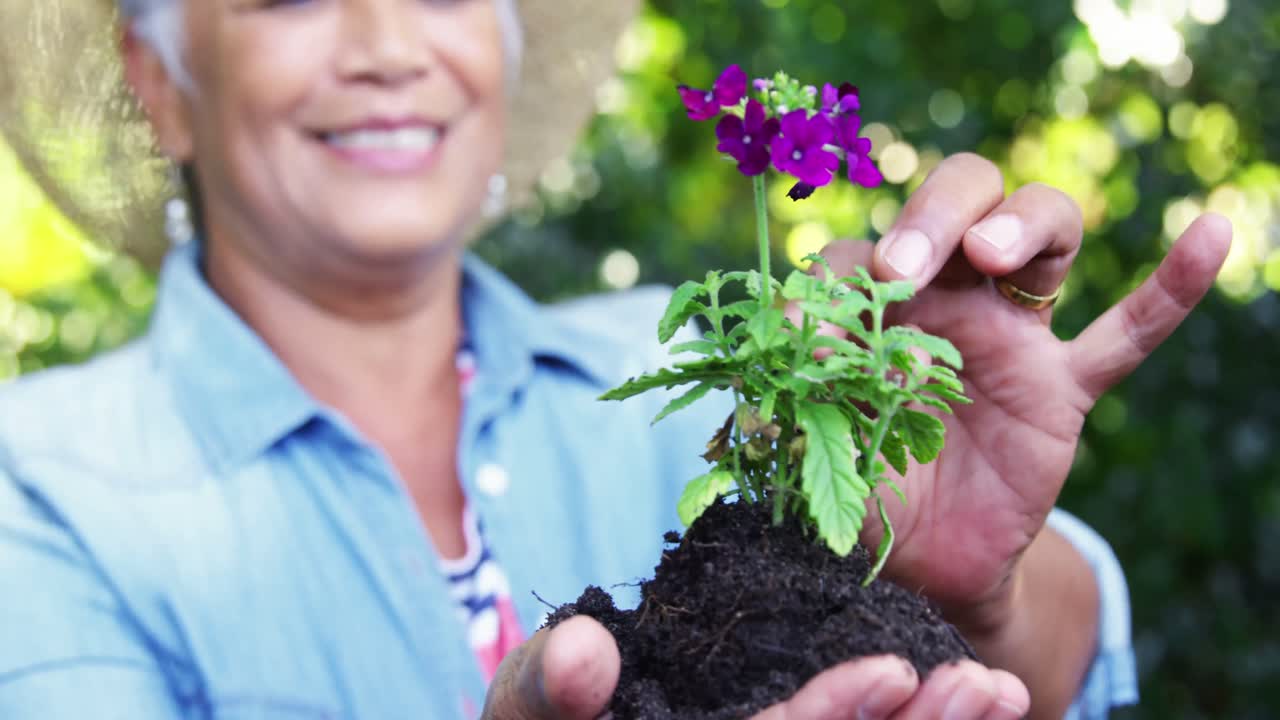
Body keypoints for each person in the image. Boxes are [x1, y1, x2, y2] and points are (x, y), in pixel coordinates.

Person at [0, 0, 1232, 718]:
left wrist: (973, 597)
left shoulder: (682, 353)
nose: (383, 42)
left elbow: (1068, 652)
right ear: (156, 82)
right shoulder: (38, 491)